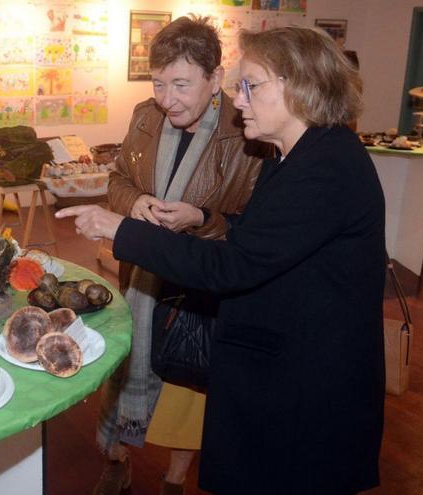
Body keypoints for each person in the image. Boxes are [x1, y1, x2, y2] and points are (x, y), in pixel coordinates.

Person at [59, 26, 386, 494]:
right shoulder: (293, 157)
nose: (241, 99)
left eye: (250, 85)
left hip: (308, 387)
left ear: (297, 87)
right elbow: (255, 240)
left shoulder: (325, 169)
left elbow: (232, 265)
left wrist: (118, 229)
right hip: (282, 370)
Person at [92, 16, 266, 495]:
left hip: (199, 290)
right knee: (125, 370)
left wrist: (200, 218)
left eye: (182, 84)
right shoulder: (145, 116)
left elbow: (253, 231)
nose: (167, 98)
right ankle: (117, 458)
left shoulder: (247, 133)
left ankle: (173, 480)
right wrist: (134, 204)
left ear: (215, 78)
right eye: (159, 82)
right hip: (140, 277)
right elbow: (117, 181)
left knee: (188, 389)